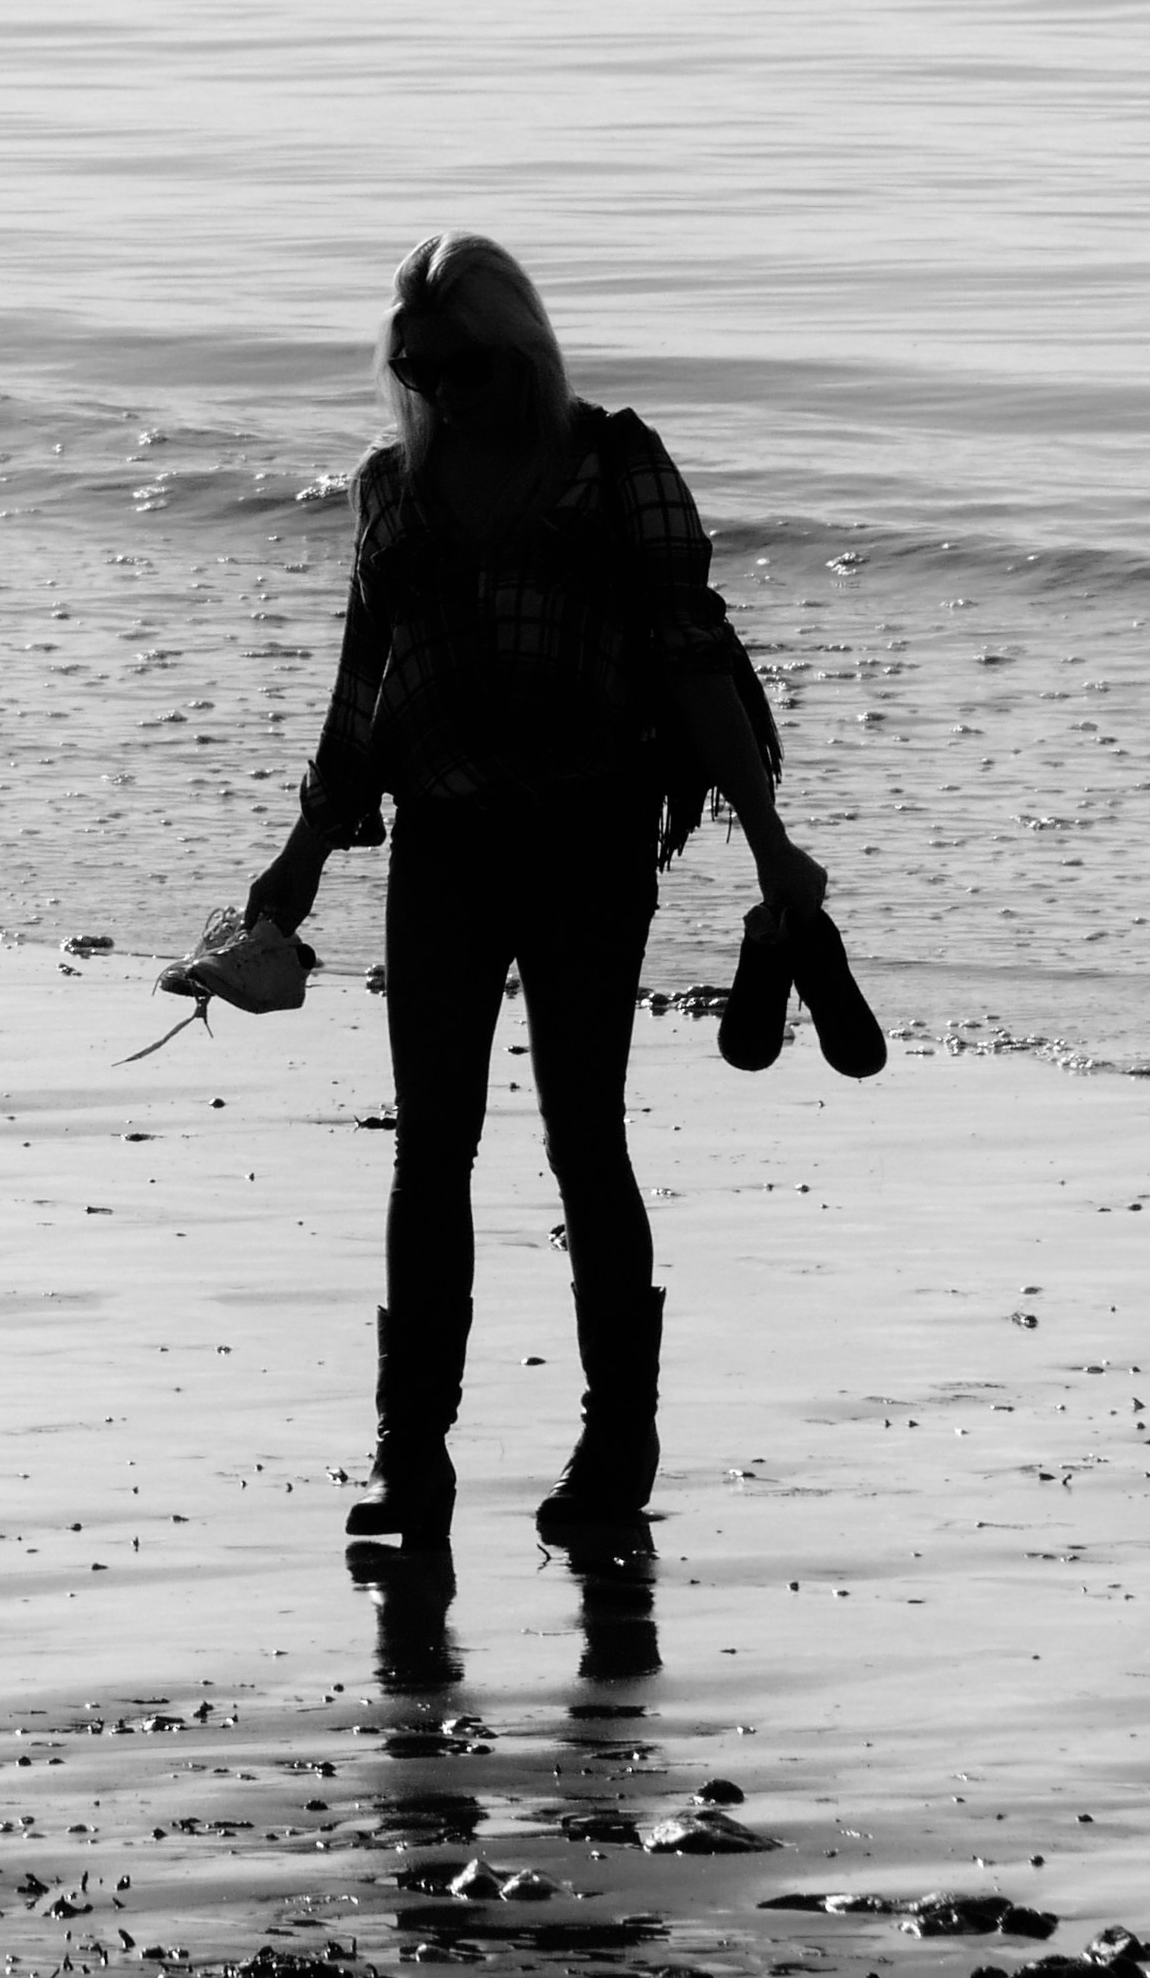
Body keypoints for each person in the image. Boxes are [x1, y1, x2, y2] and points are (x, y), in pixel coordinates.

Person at [249, 234, 819, 1553]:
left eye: (462, 367)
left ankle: (619, 1437)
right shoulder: (391, 489)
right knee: (429, 1152)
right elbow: (362, 700)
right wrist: (294, 864)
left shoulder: (617, 468)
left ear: (521, 352)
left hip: (587, 842)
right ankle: (415, 1453)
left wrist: (771, 838)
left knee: (583, 1140)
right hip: (444, 845)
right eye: (415, 370)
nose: (441, 392)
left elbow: (688, 661)